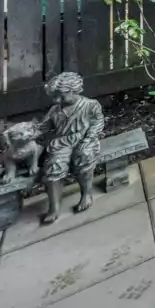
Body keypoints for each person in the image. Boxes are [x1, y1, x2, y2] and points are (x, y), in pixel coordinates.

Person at [40, 72, 104, 225]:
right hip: (62, 143)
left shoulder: (90, 105)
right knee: (54, 165)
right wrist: (28, 132)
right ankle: (54, 206)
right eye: (55, 97)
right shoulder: (55, 110)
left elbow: (97, 122)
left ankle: (86, 193)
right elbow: (42, 127)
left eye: (61, 96)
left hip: (84, 139)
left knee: (84, 157)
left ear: (74, 90)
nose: (57, 100)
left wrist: (89, 138)